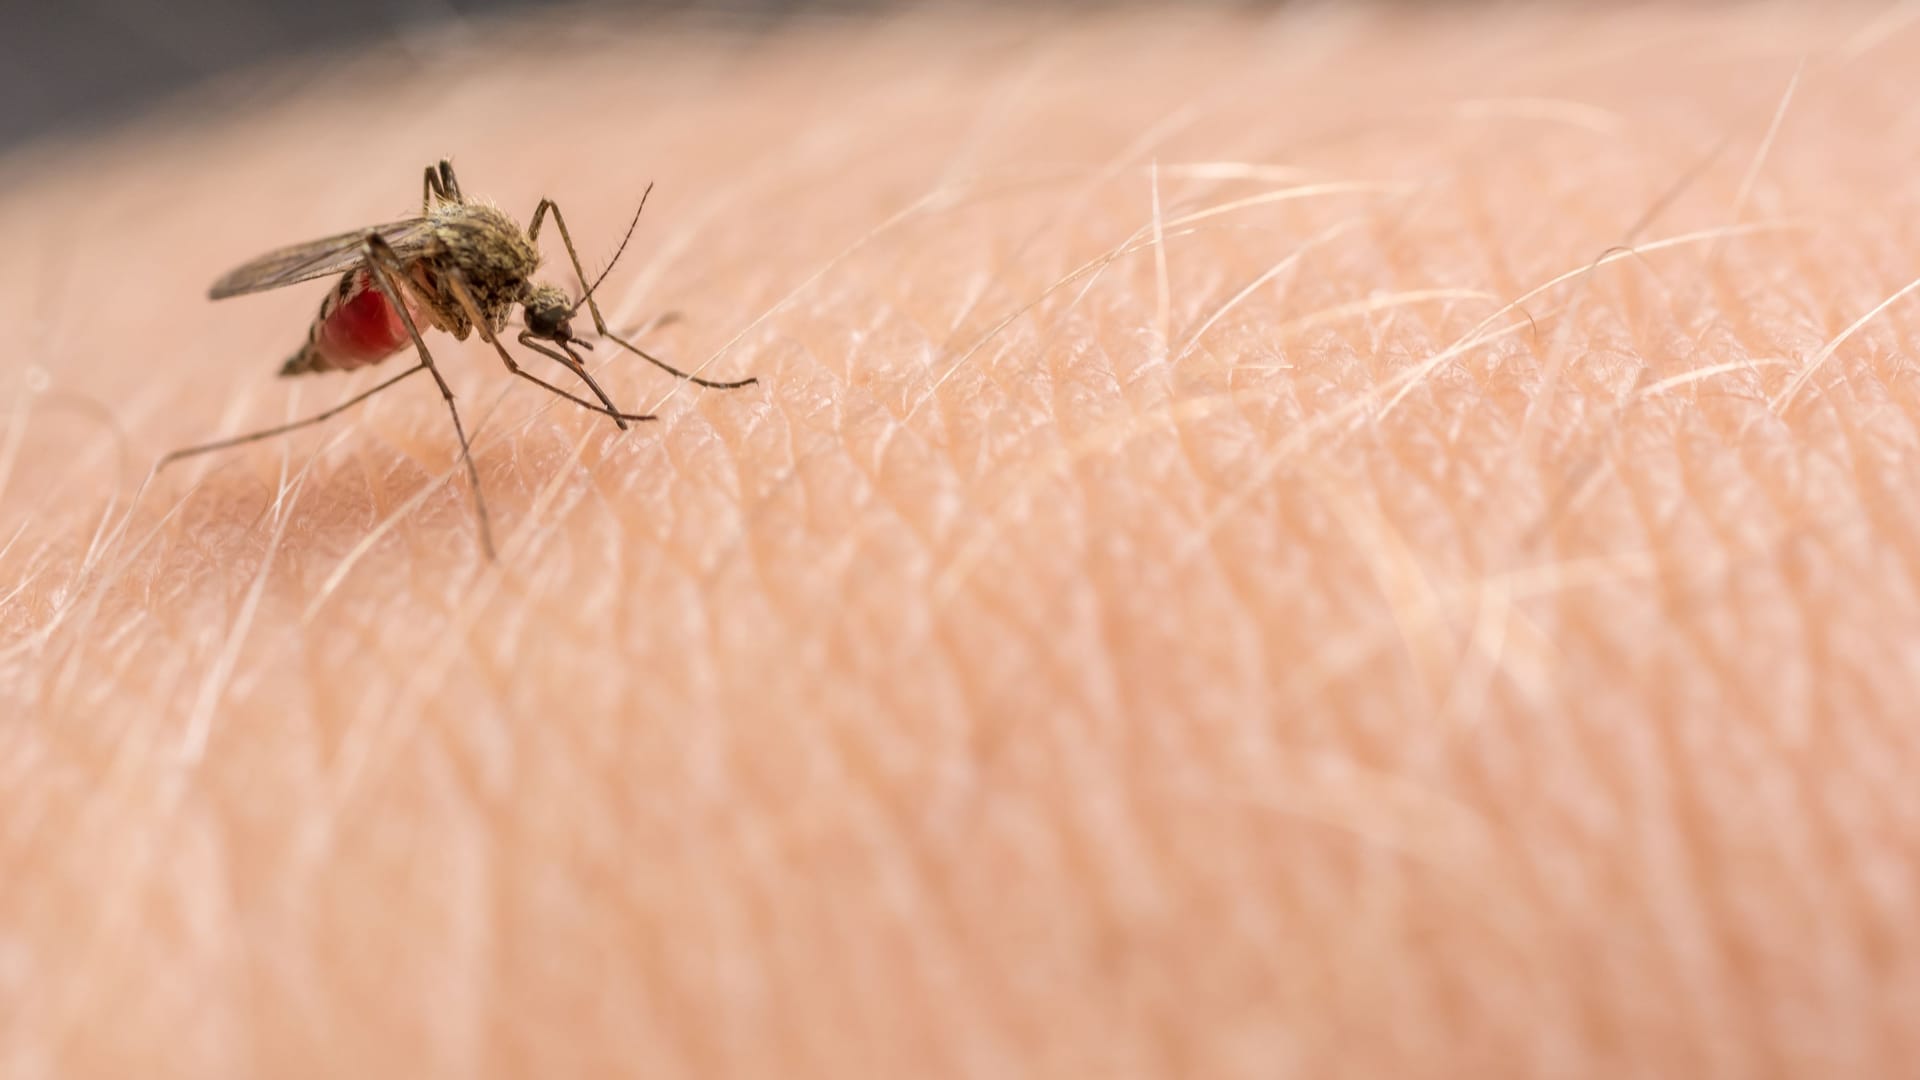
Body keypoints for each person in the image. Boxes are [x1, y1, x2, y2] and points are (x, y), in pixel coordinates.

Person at [0, 4, 1911, 1075]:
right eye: (549, 320)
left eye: (545, 316)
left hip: (434, 261)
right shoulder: (439, 279)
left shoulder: (527, 266)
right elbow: (414, 267)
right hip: (366, 296)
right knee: (425, 322)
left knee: (506, 264)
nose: (542, 320)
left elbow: (529, 271)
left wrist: (608, 349)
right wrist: (396, 349)